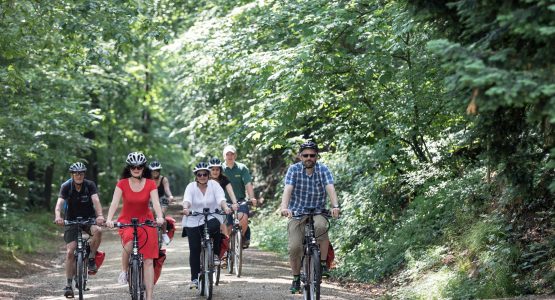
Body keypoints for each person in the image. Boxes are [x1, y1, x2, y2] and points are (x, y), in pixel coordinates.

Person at [279, 141, 341, 293]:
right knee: (294, 247)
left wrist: (335, 206)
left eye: (312, 155)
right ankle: (295, 278)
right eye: (305, 155)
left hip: (318, 211)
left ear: (316, 157)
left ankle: (322, 264)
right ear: (300, 156)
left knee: (322, 226)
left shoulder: (323, 169)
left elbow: (330, 188)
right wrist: (284, 207)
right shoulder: (293, 170)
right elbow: (288, 189)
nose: (309, 158)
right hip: (297, 213)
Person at [105, 152, 164, 300]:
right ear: (129, 168)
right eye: (133, 167)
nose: (136, 169)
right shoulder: (122, 183)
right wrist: (109, 219)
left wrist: (160, 217)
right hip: (127, 222)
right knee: (130, 243)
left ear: (144, 168)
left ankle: (149, 297)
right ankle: (124, 271)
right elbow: (114, 202)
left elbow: (156, 203)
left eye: (139, 167)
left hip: (146, 222)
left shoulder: (150, 183)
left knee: (149, 260)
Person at [54, 162, 104, 298]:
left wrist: (99, 215)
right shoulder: (66, 186)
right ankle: (69, 284)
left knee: (98, 231)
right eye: (76, 173)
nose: (79, 175)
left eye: (81, 173)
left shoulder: (90, 185)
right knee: (70, 252)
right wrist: (58, 217)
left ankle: (92, 257)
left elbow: (96, 201)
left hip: (88, 219)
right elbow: (59, 204)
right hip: (71, 220)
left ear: (84, 174)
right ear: (72, 174)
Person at [182, 162, 231, 289]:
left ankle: (215, 254)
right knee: (194, 249)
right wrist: (186, 208)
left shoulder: (214, 185)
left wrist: (225, 208)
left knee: (216, 226)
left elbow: (221, 199)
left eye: (205, 174)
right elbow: (187, 200)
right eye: (199, 174)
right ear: (196, 176)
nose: (202, 176)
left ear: (208, 175)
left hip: (212, 216)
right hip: (193, 219)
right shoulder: (191, 187)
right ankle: (194, 278)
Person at [221, 145, 257, 248]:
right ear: (224, 156)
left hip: (240, 200)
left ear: (235, 155)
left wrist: (252, 198)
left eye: (232, 154)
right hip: (224, 202)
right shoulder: (220, 169)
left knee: (244, 218)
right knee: (227, 226)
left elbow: (248, 184)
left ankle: (241, 237)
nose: (230, 156)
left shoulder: (242, 168)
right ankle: (226, 249)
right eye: (227, 154)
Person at [208, 157, 239, 236]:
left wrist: (235, 203)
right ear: (209, 170)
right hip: (207, 205)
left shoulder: (224, 179)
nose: (215, 172)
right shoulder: (204, 179)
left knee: (224, 224)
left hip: (221, 204)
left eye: (217, 169)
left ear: (220, 170)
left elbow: (230, 192)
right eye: (213, 169)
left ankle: (225, 244)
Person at [149, 160, 175, 245]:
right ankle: (151, 232)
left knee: (162, 213)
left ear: (159, 171)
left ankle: (164, 233)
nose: (155, 172)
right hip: (151, 199)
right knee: (151, 213)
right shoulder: (148, 180)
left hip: (161, 198)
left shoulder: (163, 179)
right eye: (153, 171)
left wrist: (170, 196)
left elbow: (167, 189)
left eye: (157, 170)